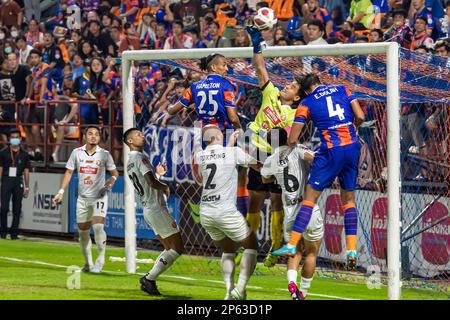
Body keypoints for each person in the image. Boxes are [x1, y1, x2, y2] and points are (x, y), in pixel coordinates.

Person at [273, 73, 365, 272]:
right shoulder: (343, 88)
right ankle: (351, 250)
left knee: (310, 198)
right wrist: (349, 130)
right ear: (319, 82)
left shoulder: (307, 102)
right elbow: (360, 116)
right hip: (352, 146)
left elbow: (292, 139)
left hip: (331, 150)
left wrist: (296, 145)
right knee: (348, 200)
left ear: (305, 90)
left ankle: (291, 244)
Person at [244, 25, 304, 267]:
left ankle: (275, 247)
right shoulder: (270, 93)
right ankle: (249, 245)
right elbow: (260, 68)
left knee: (277, 202)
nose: (286, 86)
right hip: (258, 151)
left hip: (276, 157)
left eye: (291, 87)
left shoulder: (295, 114)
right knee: (255, 201)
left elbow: (288, 139)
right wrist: (256, 44)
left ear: (297, 97)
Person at [195, 125, 259, 300]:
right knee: (252, 246)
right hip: (225, 210)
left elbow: (219, 161)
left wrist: (230, 145)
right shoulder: (233, 152)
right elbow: (256, 165)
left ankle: (229, 293)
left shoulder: (200, 156)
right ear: (217, 135)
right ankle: (239, 288)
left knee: (229, 249)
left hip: (206, 213)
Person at [261, 127, 323, 300]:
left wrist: (277, 175)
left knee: (294, 251)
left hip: (289, 210)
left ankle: (291, 284)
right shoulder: (297, 149)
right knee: (311, 252)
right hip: (308, 207)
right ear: (286, 137)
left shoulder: (271, 159)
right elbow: (313, 157)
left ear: (270, 143)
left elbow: (265, 178)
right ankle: (302, 293)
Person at [123, 127, 185, 296]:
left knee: (168, 248)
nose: (142, 136)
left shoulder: (130, 161)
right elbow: (150, 182)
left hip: (149, 208)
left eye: (142, 134)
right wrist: (164, 185)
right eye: (138, 135)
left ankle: (149, 279)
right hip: (156, 208)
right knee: (177, 248)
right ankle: (149, 279)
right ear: (130, 141)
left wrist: (158, 175)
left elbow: (148, 180)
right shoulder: (140, 158)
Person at [52, 126, 119, 273]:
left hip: (99, 196)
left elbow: (115, 173)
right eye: (90, 134)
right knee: (83, 233)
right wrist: (61, 191)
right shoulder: (76, 153)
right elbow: (69, 172)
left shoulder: (105, 154)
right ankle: (88, 263)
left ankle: (100, 259)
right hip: (82, 199)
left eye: (96, 134)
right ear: (84, 137)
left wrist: (112, 180)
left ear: (99, 138)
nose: (93, 136)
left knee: (98, 227)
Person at [167, 53, 242, 133]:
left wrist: (169, 108)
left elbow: (172, 111)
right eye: (224, 65)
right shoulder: (226, 85)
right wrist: (240, 130)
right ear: (213, 67)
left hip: (205, 134)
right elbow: (233, 118)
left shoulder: (194, 87)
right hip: (223, 133)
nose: (227, 69)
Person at [0, 128, 30, 240]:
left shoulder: (25, 154)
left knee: (17, 208)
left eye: (17, 137)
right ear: (9, 139)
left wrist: (27, 187)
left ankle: (14, 234)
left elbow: (26, 171)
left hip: (18, 180)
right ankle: (2, 232)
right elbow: (0, 169)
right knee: (4, 208)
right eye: (12, 137)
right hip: (6, 179)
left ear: (20, 139)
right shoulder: (3, 153)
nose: (15, 139)